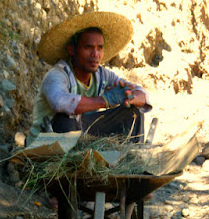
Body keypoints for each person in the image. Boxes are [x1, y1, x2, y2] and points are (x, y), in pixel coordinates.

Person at [27, 11, 152, 147]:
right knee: (65, 120)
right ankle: (75, 162)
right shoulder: (58, 74)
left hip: (82, 132)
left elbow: (142, 93)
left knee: (133, 113)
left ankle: (131, 159)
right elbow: (59, 102)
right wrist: (105, 100)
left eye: (100, 48)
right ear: (72, 50)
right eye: (88, 47)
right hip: (45, 144)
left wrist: (131, 96)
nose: (95, 54)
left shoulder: (103, 75)